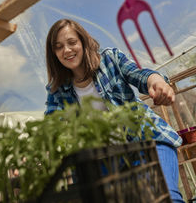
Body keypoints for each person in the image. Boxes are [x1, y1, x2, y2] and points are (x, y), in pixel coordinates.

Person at [45, 18, 184, 203]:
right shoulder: (57, 90)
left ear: (83, 41)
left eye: (72, 42)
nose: (67, 50)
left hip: (147, 142)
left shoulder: (110, 59)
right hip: (106, 160)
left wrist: (157, 82)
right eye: (59, 47)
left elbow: (139, 75)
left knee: (163, 197)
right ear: (54, 53)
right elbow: (52, 126)